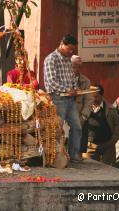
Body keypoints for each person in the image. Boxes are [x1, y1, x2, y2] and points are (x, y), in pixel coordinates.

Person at [44, 34, 82, 162]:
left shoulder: (67, 59)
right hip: (57, 98)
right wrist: (67, 90)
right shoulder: (51, 59)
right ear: (62, 44)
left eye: (73, 50)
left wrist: (75, 88)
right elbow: (51, 82)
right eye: (69, 49)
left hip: (70, 100)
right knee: (57, 129)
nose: (71, 52)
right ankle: (55, 156)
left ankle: (74, 154)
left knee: (77, 126)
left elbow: (72, 78)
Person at [84, 85, 119, 165]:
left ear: (101, 96)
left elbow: (118, 125)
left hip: (107, 146)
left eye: (96, 97)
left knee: (108, 171)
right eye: (92, 97)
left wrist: (113, 140)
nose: (93, 99)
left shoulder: (111, 109)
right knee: (89, 170)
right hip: (90, 146)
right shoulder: (85, 108)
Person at [71, 55, 94, 155]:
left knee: (79, 145)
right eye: (74, 66)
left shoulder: (85, 81)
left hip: (79, 115)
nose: (76, 69)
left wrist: (84, 116)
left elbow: (89, 100)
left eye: (79, 67)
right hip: (65, 115)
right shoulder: (62, 79)